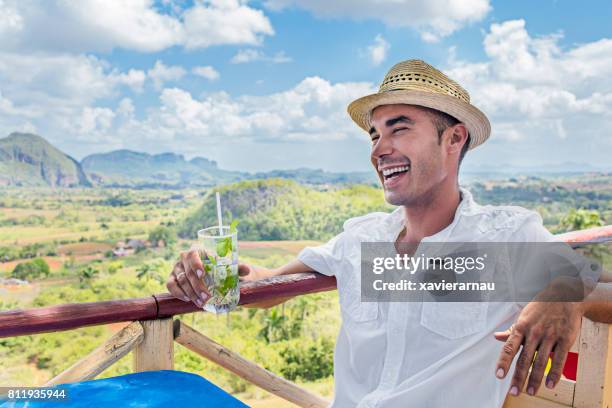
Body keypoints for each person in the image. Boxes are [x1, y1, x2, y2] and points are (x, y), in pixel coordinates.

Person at [166, 60, 611, 407]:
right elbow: (268, 285)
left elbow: (600, 284)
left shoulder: (499, 239)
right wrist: (205, 274)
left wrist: (568, 291)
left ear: (453, 140)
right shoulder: (363, 243)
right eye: (374, 135)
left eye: (399, 128)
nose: (379, 149)